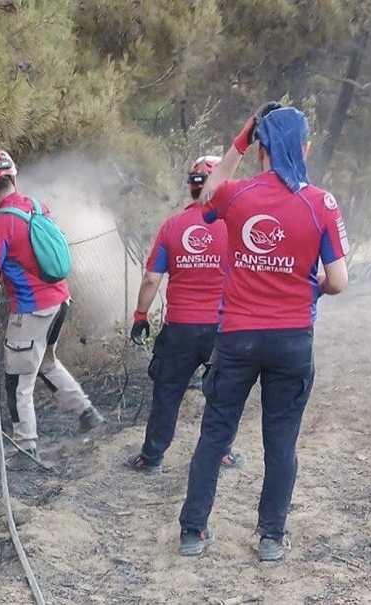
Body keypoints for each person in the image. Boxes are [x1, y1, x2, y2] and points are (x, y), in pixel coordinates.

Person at [176, 105, 349, 561]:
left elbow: (204, 197)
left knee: (214, 434)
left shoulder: (237, 195)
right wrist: (310, 288)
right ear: (305, 148)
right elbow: (338, 280)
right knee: (281, 440)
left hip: (236, 338)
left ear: (261, 151)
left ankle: (193, 532)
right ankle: (271, 537)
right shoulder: (321, 203)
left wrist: (240, 137)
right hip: (292, 339)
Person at [0, 149, 105, 470]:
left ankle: (26, 448)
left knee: (18, 381)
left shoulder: (0, 222)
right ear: (13, 177)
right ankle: (87, 412)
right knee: (47, 362)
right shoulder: (35, 205)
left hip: (32, 310)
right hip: (60, 301)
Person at [126, 156, 242, 475]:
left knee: (167, 392)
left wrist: (140, 315)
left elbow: (152, 278)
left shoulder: (172, 225)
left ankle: (151, 457)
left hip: (180, 328)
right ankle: (222, 453)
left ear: (191, 187)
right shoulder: (235, 224)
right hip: (223, 326)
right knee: (224, 392)